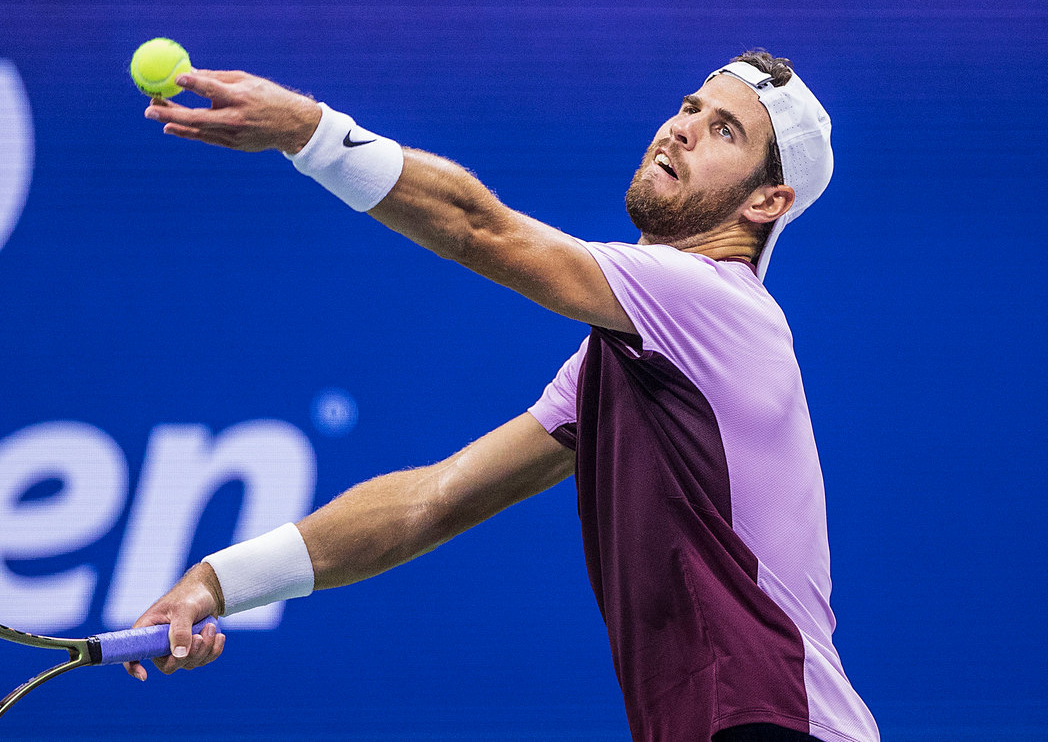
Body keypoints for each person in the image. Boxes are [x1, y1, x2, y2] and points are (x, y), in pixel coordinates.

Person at [125, 50, 879, 742]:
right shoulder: (633, 358)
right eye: (690, 108)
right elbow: (431, 501)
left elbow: (477, 228)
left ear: (766, 202)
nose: (682, 129)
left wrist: (308, 131)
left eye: (724, 131)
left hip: (779, 722)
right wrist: (214, 584)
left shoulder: (713, 303)